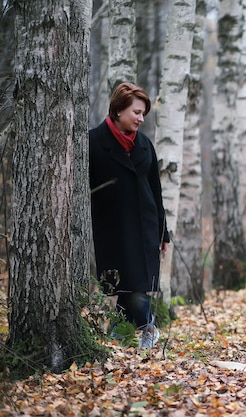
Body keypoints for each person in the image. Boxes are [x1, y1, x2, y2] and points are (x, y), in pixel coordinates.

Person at [89, 82, 170, 348]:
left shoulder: (145, 144)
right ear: (118, 110)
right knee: (123, 286)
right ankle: (129, 331)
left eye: (143, 113)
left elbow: (155, 191)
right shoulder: (94, 142)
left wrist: (162, 231)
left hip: (145, 227)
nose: (141, 118)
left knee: (136, 285)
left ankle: (141, 329)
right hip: (112, 228)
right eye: (136, 112)